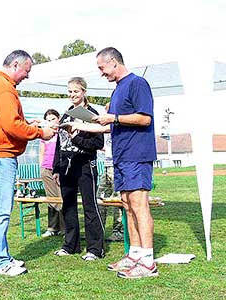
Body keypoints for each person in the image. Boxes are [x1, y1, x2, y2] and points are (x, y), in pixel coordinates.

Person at [70, 47, 158, 279]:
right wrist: (80, 125)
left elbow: (144, 118)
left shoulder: (137, 84)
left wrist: (114, 117)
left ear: (113, 62)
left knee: (139, 205)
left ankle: (148, 262)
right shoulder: (118, 90)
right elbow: (111, 125)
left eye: (101, 68)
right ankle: (134, 255)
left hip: (137, 155)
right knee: (127, 205)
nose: (101, 73)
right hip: (120, 157)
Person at [0, 50, 55, 277]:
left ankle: (1, 255)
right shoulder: (3, 88)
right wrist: (41, 132)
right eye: (26, 71)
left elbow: (7, 123)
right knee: (0, 211)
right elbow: (11, 126)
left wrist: (26, 124)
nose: (27, 76)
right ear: (15, 65)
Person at [52, 77, 105, 261]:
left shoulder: (91, 114)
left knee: (90, 206)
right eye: (69, 91)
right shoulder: (66, 115)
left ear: (83, 92)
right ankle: (70, 245)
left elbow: (98, 142)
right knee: (69, 206)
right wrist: (56, 168)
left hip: (85, 165)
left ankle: (95, 248)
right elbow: (59, 143)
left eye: (75, 91)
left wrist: (77, 139)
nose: (72, 95)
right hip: (67, 166)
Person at [39, 109, 64, 237]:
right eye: (48, 120)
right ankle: (53, 227)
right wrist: (41, 167)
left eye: (53, 119)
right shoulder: (45, 135)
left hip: (59, 169)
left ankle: (65, 228)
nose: (51, 122)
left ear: (58, 118)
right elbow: (41, 152)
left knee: (61, 198)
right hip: (46, 168)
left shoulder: (62, 133)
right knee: (51, 199)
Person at [97, 131, 123, 242]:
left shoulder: (117, 120)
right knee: (100, 198)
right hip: (107, 165)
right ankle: (98, 230)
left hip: (117, 165)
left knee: (117, 200)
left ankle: (119, 231)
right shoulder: (105, 124)